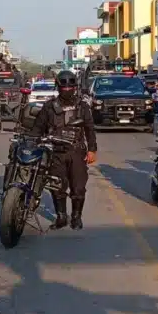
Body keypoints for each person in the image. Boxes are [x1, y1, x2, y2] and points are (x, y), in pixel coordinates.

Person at [28, 70, 97, 230]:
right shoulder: (49, 107)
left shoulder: (83, 106)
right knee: (57, 186)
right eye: (63, 87)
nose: (67, 90)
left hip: (76, 152)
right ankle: (61, 216)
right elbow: (37, 128)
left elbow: (89, 129)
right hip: (55, 152)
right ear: (58, 87)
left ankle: (76, 217)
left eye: (70, 87)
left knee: (78, 187)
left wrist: (92, 149)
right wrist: (32, 143)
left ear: (75, 87)